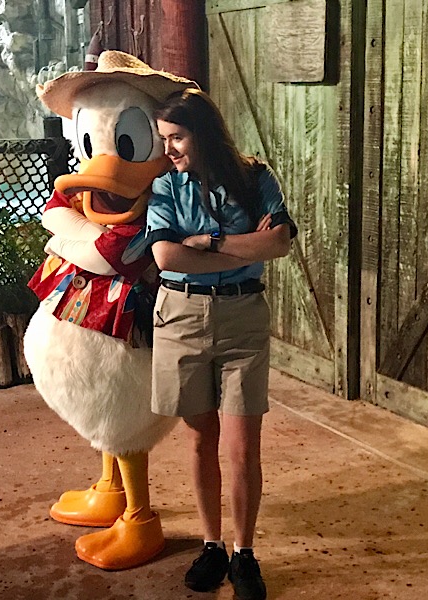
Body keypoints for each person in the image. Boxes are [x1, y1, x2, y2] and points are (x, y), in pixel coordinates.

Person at [145, 88, 296, 600]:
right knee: (198, 438)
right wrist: (242, 248)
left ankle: (244, 553)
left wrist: (207, 244)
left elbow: (278, 242)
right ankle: (212, 546)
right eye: (164, 139)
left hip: (242, 319)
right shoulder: (165, 186)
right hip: (181, 317)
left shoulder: (255, 178)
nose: (168, 149)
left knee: (242, 446)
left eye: (177, 137)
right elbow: (166, 257)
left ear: (203, 133)